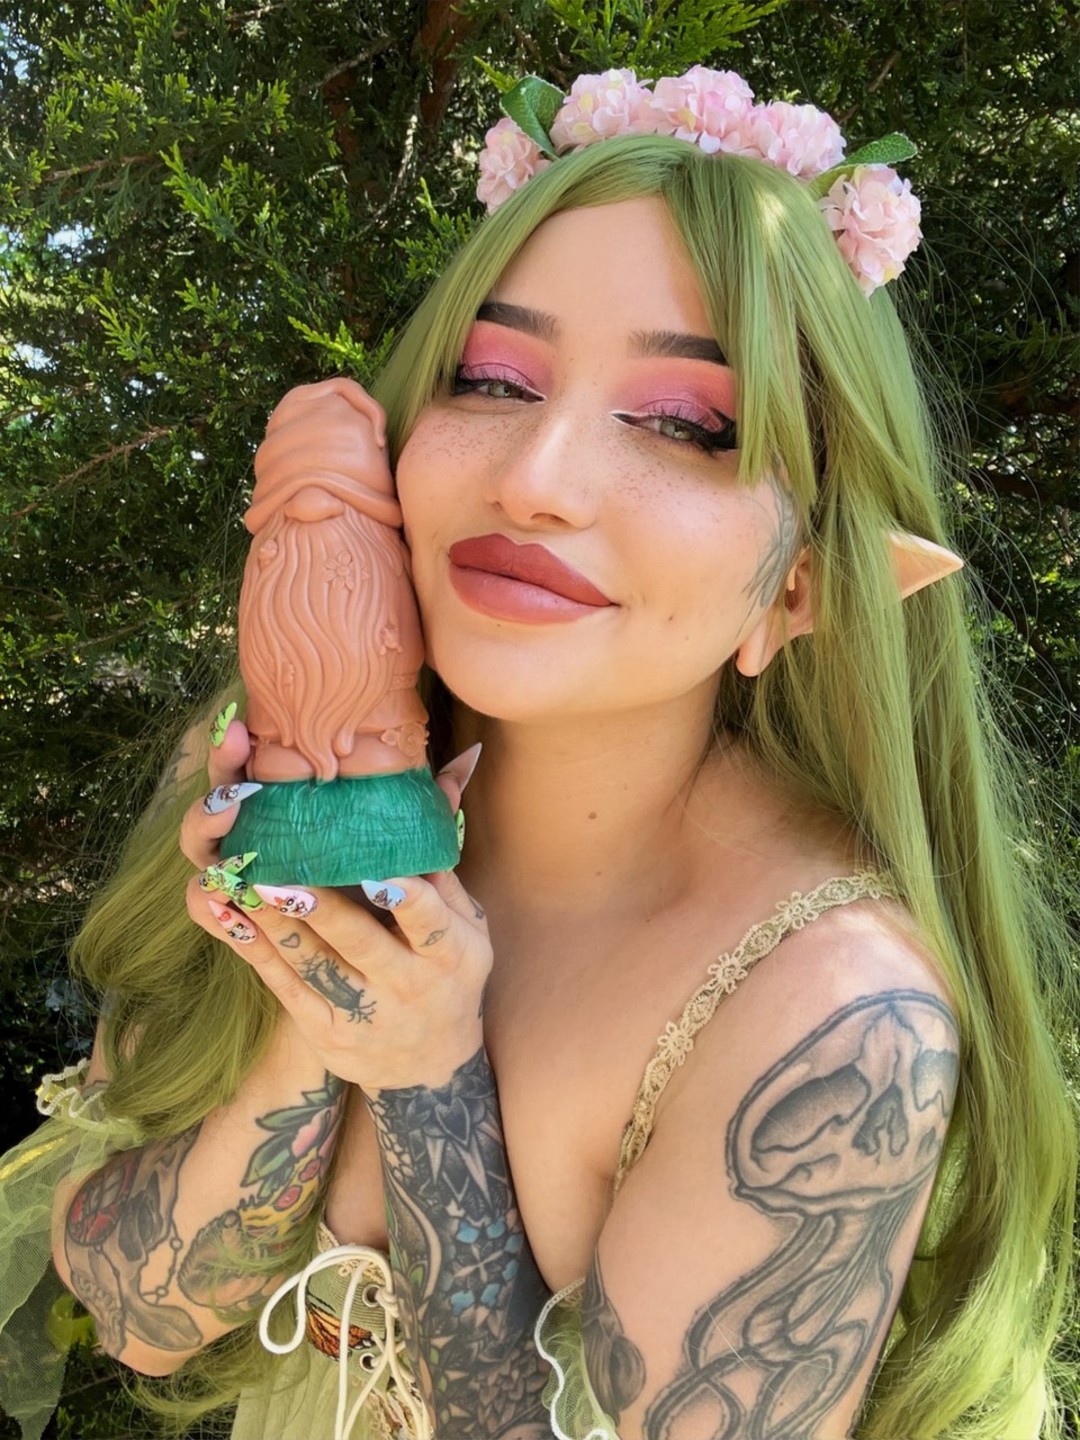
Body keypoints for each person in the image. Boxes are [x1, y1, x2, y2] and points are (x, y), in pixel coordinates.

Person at [0, 66, 1075, 1440]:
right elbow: (136, 1315)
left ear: (800, 590)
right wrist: (307, 1012)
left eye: (685, 425)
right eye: (494, 379)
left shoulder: (834, 1018)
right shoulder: (261, 788)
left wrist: (428, 1081)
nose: (538, 477)